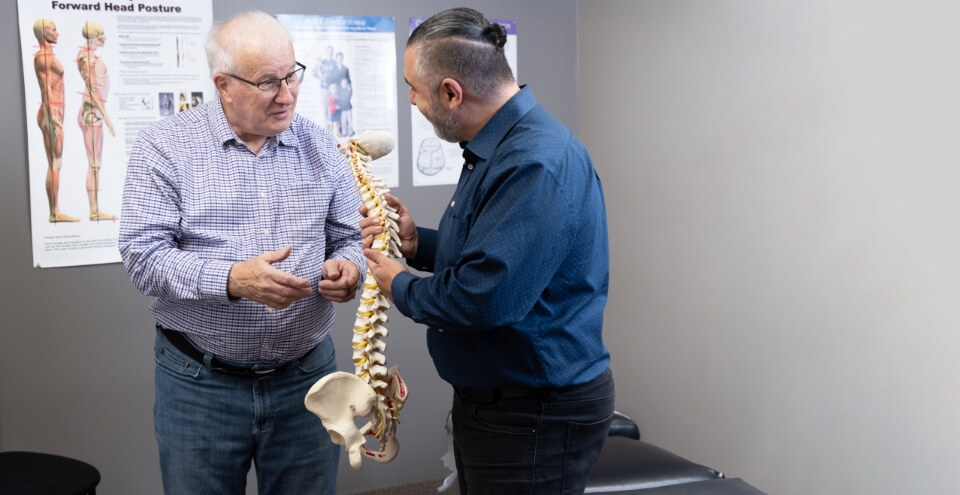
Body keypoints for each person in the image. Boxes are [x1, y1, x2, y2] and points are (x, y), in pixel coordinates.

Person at [362, 7, 615, 495]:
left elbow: (484, 298)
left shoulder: (535, 162)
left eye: (414, 88)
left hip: (535, 414)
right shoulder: (497, 147)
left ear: (452, 93)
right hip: (501, 405)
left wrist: (399, 284)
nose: (411, 101)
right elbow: (496, 256)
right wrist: (420, 246)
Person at [118, 11, 364, 495]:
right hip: (200, 383)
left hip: (308, 378)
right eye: (268, 82)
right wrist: (232, 279)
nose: (288, 93)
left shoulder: (320, 145)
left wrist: (348, 266)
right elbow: (143, 257)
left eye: (292, 75)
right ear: (223, 85)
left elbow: (349, 235)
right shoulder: (164, 148)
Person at [32, 19, 78, 223]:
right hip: (51, 114)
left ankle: (55, 211)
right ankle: (54, 212)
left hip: (54, 113)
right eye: (53, 30)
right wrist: (53, 117)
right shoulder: (43, 57)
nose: (57, 33)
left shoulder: (49, 55)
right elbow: (45, 87)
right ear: (44, 34)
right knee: (54, 163)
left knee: (55, 163)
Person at [77, 21, 117, 221]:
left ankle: (95, 210)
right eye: (100, 34)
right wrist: (107, 118)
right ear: (92, 36)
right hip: (92, 114)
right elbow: (92, 91)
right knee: (94, 164)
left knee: (95, 164)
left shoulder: (87, 57)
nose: (104, 37)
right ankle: (94, 211)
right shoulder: (87, 58)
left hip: (93, 113)